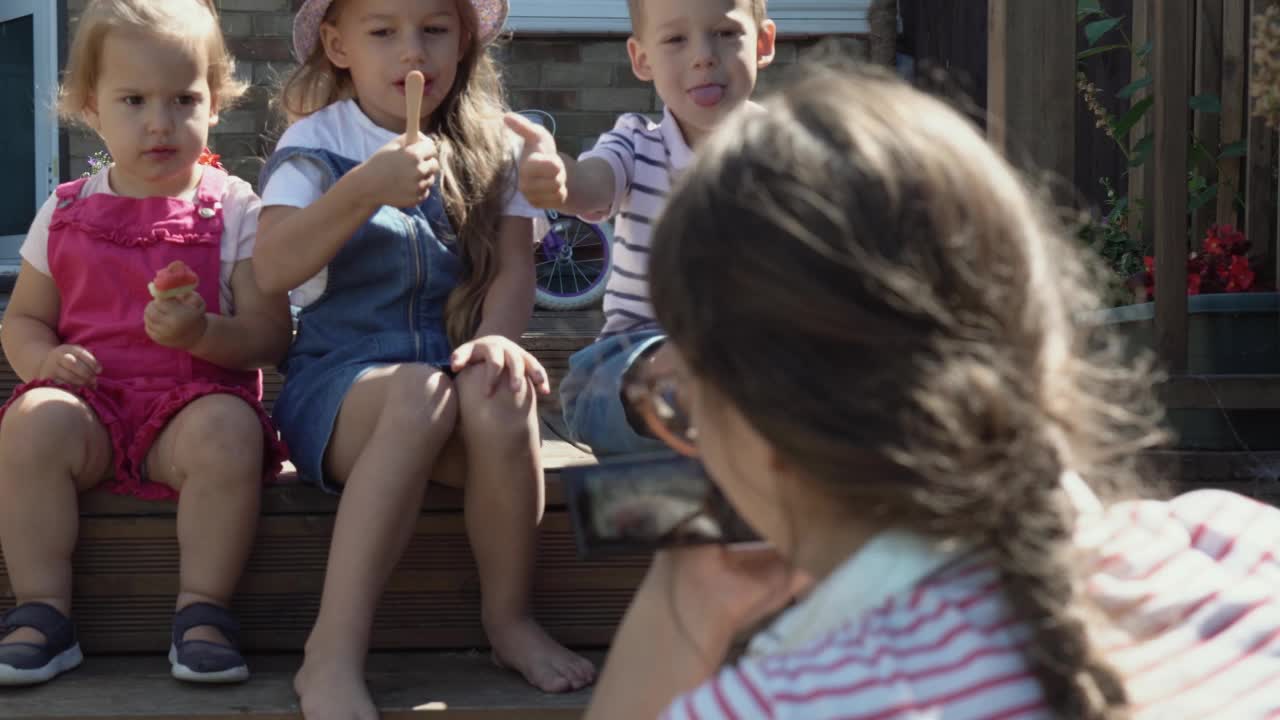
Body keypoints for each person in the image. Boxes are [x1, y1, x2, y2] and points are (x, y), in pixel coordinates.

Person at [586, 64, 1280, 719]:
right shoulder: (1239, 545)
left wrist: (679, 611)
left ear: (758, 429)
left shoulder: (777, 706)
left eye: (678, 406)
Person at [254, 0, 596, 716]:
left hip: (450, 379)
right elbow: (273, 268)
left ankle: (508, 620)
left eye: (435, 28)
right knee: (418, 396)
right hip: (342, 390)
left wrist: (499, 337)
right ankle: (332, 652)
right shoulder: (318, 140)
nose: (414, 52)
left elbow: (512, 271)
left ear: (465, 38)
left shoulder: (490, 146)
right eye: (383, 32)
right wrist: (361, 189)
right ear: (338, 44)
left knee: (500, 393)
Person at [0, 0, 290, 687]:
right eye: (132, 100)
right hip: (90, 412)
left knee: (229, 429)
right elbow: (24, 320)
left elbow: (271, 335)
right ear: (90, 107)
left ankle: (204, 610)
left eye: (183, 98)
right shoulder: (65, 208)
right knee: (30, 423)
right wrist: (43, 363)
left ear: (215, 102)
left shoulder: (237, 206)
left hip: (191, 413)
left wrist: (204, 332)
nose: (159, 122)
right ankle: (41, 611)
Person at [505, 0, 777, 455]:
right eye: (676, 39)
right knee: (703, 376)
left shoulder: (792, 152)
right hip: (627, 370)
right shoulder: (634, 143)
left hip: (757, 365)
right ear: (641, 59)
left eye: (726, 34)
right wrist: (558, 177)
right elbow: (592, 184)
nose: (703, 56)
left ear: (764, 43)